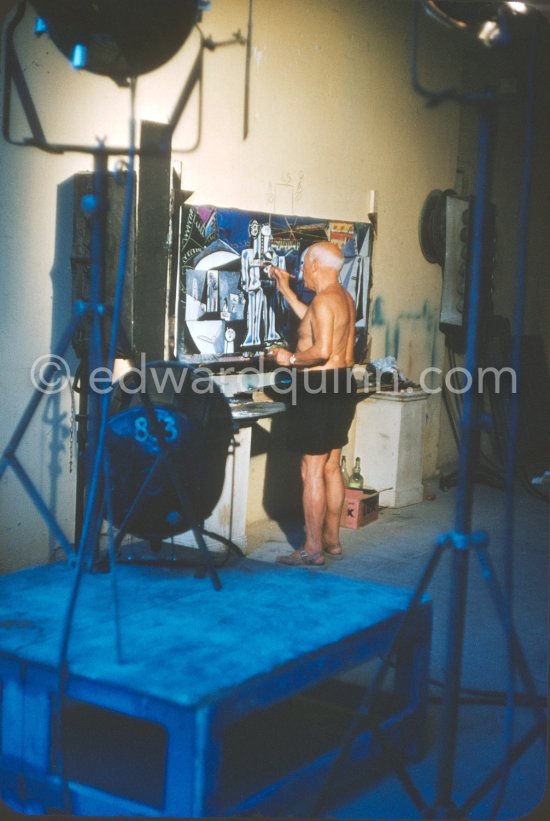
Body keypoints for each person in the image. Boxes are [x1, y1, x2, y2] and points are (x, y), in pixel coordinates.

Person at [267, 241, 356, 568]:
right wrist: (286, 290)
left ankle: (312, 548)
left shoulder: (323, 301)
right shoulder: (343, 298)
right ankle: (332, 541)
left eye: (304, 264)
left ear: (317, 265)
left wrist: (287, 358)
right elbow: (317, 323)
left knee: (312, 469)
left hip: (318, 388)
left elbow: (319, 351)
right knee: (331, 465)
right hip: (342, 384)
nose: (302, 269)